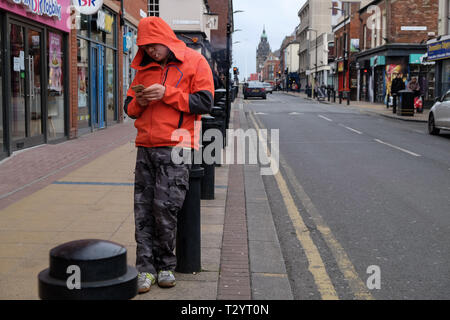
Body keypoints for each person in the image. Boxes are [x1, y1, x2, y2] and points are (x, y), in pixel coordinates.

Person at [124, 17, 214, 294]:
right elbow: (128, 108)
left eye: (155, 45)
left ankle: (166, 265)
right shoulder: (143, 70)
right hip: (145, 147)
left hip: (177, 146)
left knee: (165, 208)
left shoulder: (195, 62)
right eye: (146, 47)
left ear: (166, 38)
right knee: (143, 209)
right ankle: (145, 270)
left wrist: (168, 94)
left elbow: (204, 102)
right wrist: (138, 102)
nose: (151, 51)